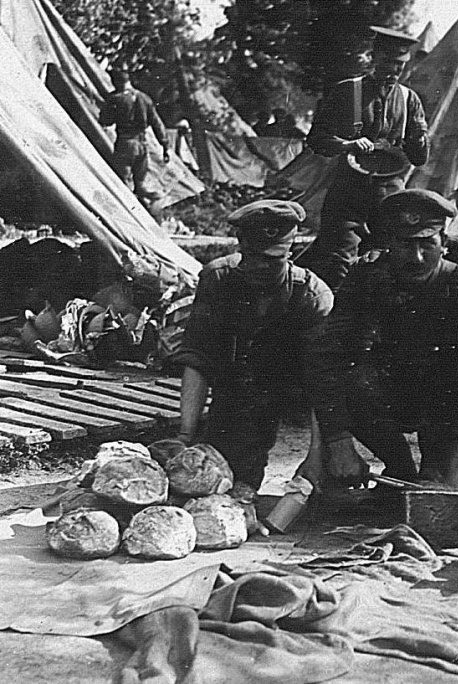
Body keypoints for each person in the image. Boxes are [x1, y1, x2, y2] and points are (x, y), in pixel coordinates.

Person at [304, 189, 458, 515]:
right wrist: (337, 440)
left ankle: (435, 470)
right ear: (388, 243)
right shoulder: (367, 278)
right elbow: (328, 361)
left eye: (426, 244)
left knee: (436, 499)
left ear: (445, 243)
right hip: (393, 393)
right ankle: (398, 467)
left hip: (449, 407)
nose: (415, 257)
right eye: (405, 244)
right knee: (356, 380)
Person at [173, 200, 334, 490]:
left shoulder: (312, 295)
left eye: (273, 259)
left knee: (322, 480)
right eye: (252, 256)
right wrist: (186, 435)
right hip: (245, 390)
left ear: (291, 251)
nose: (261, 267)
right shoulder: (218, 279)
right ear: (240, 246)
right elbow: (197, 356)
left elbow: (326, 382)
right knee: (224, 480)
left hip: (298, 390)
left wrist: (317, 455)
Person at [297, 26, 429, 288]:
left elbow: (419, 158)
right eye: (387, 62)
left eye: (399, 65)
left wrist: (420, 139)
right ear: (373, 57)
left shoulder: (409, 99)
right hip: (348, 193)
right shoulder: (346, 92)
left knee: (386, 263)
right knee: (338, 262)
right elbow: (316, 139)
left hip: (390, 197)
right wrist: (347, 144)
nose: (392, 71)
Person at [98, 68, 171, 201]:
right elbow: (157, 124)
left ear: (116, 81)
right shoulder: (145, 98)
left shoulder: (116, 98)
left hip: (125, 144)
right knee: (140, 185)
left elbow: (105, 121)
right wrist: (165, 145)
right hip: (142, 145)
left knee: (120, 183)